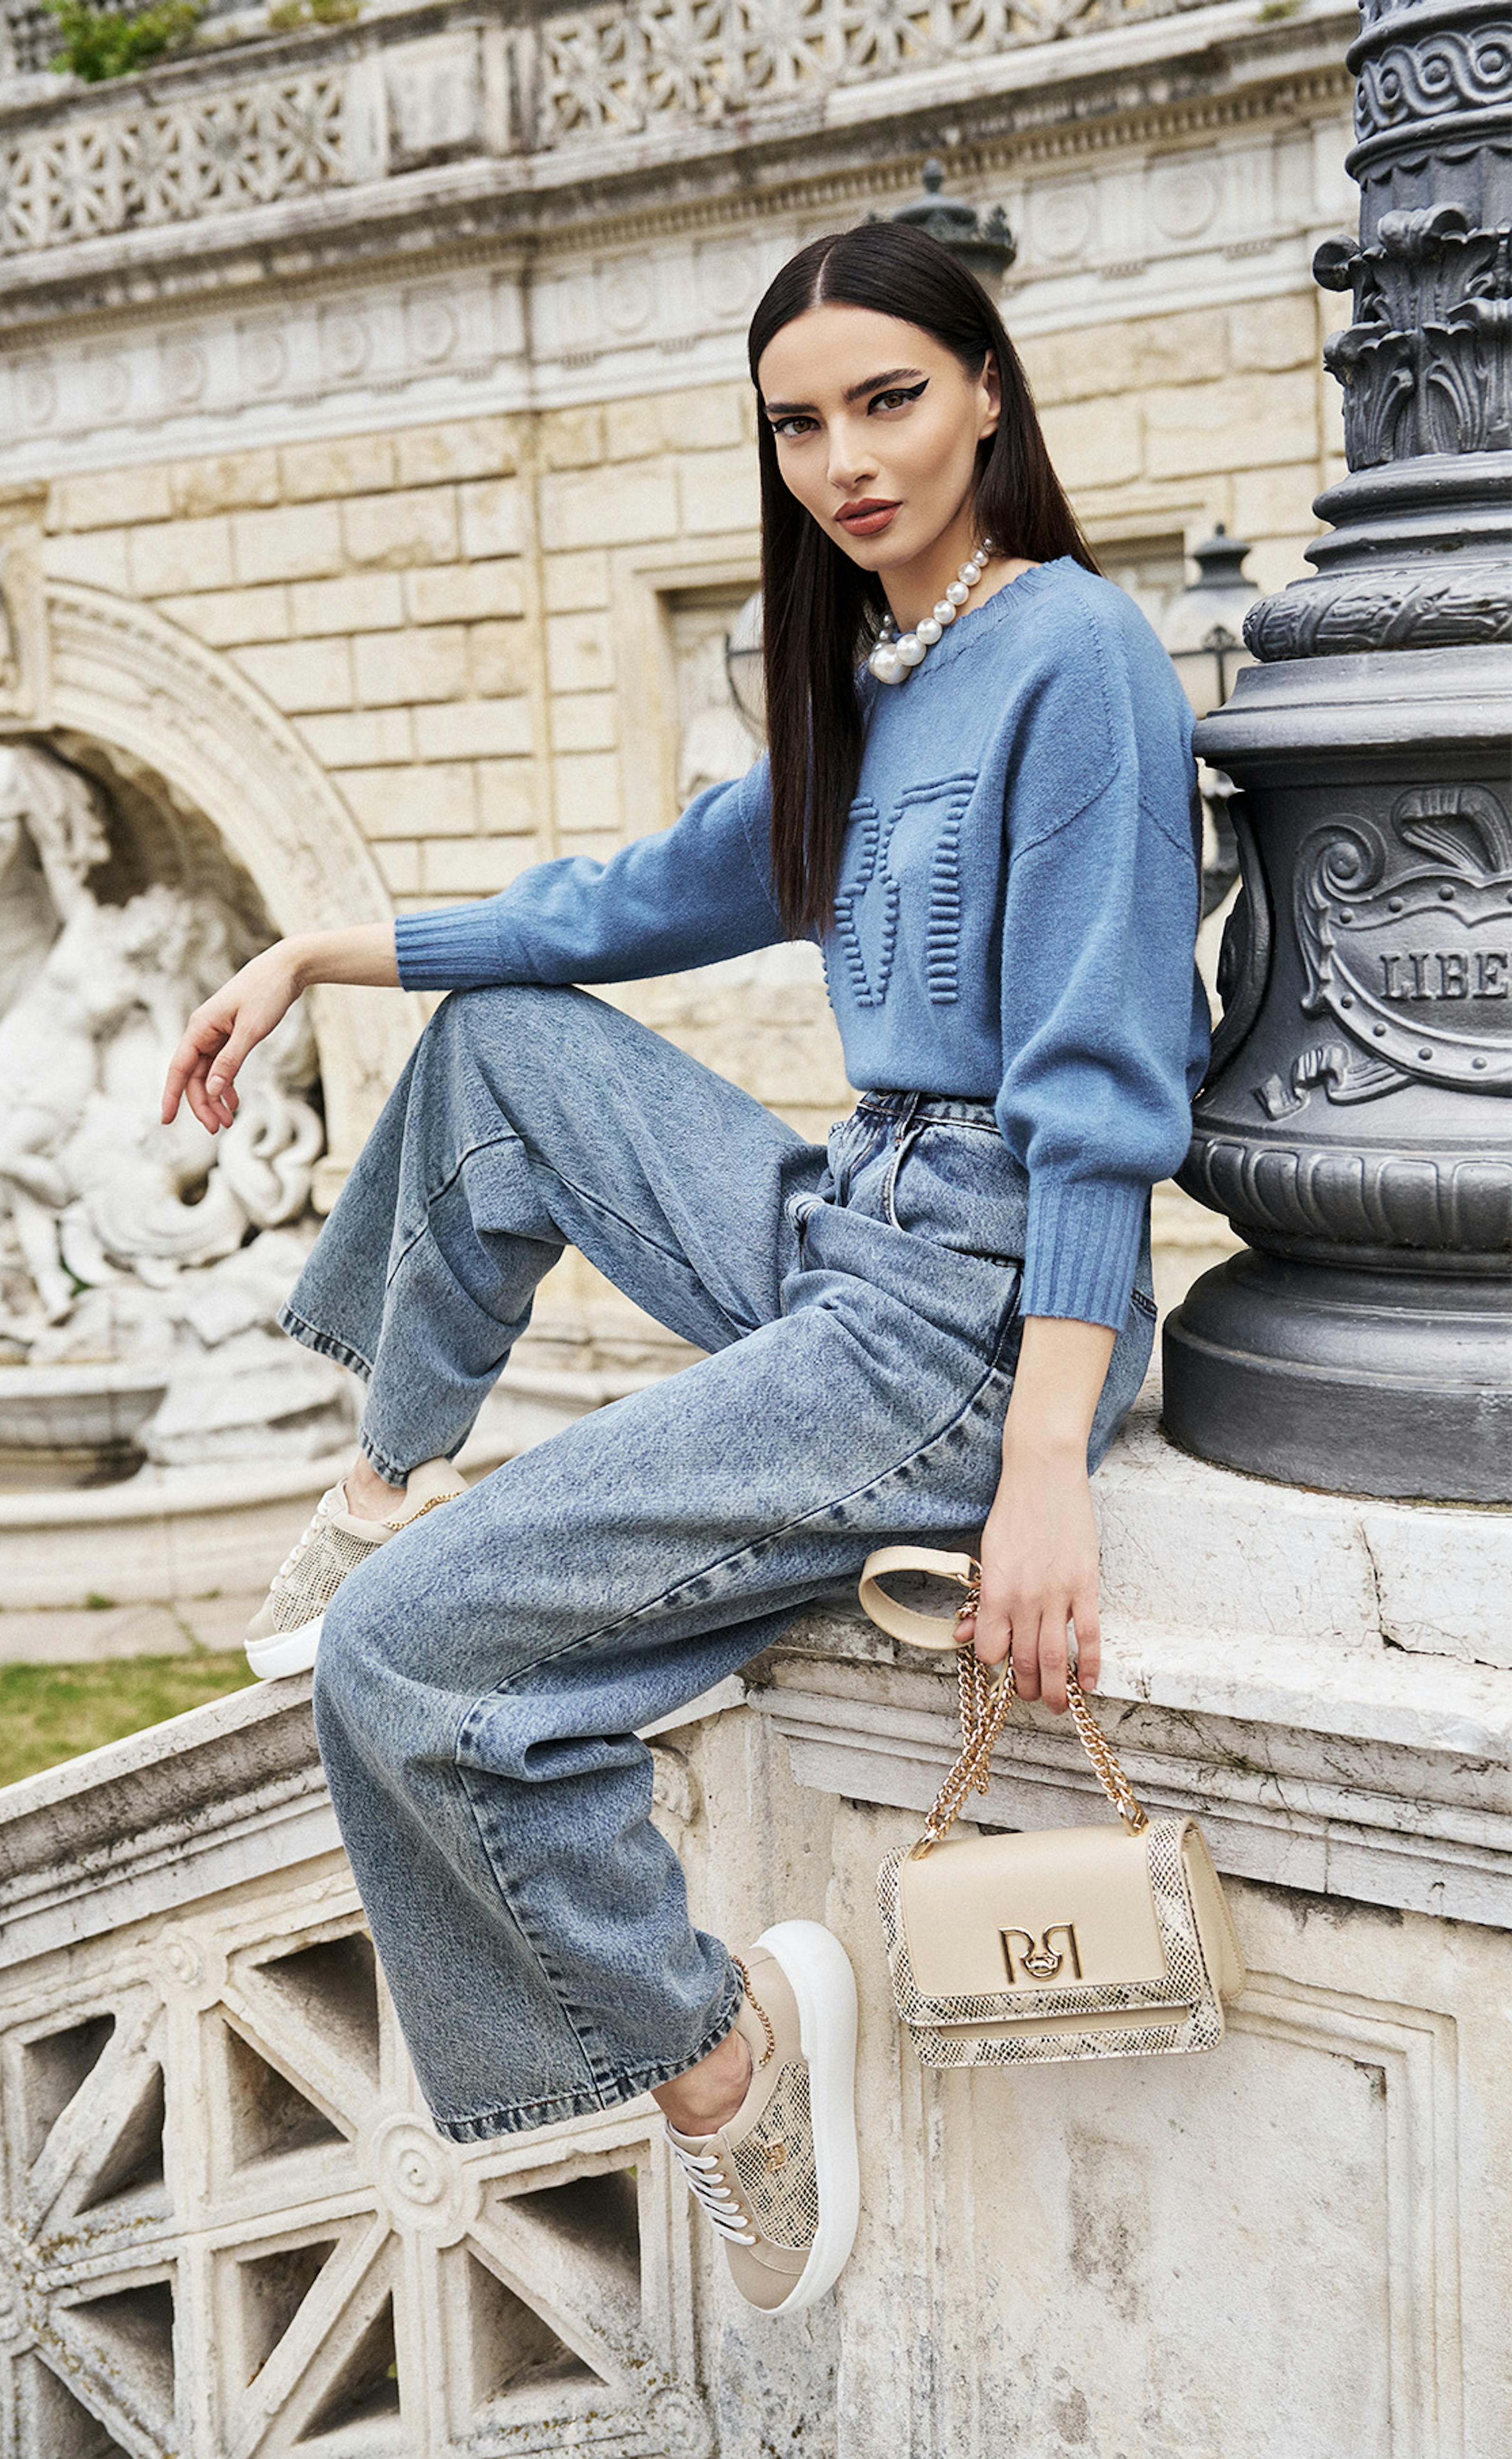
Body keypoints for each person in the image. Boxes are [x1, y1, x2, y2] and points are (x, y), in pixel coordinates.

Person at [161, 221, 1210, 2316]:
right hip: (852, 1228)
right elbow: (621, 907)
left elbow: (1102, 1086)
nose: (848, 458)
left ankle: (718, 2061)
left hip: (970, 1324)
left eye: (890, 400)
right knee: (502, 1046)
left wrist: (1047, 1459)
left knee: (413, 1665)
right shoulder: (873, 678)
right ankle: (383, 1474)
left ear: (991, 388)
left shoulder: (1076, 652)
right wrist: (313, 954)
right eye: (801, 423)